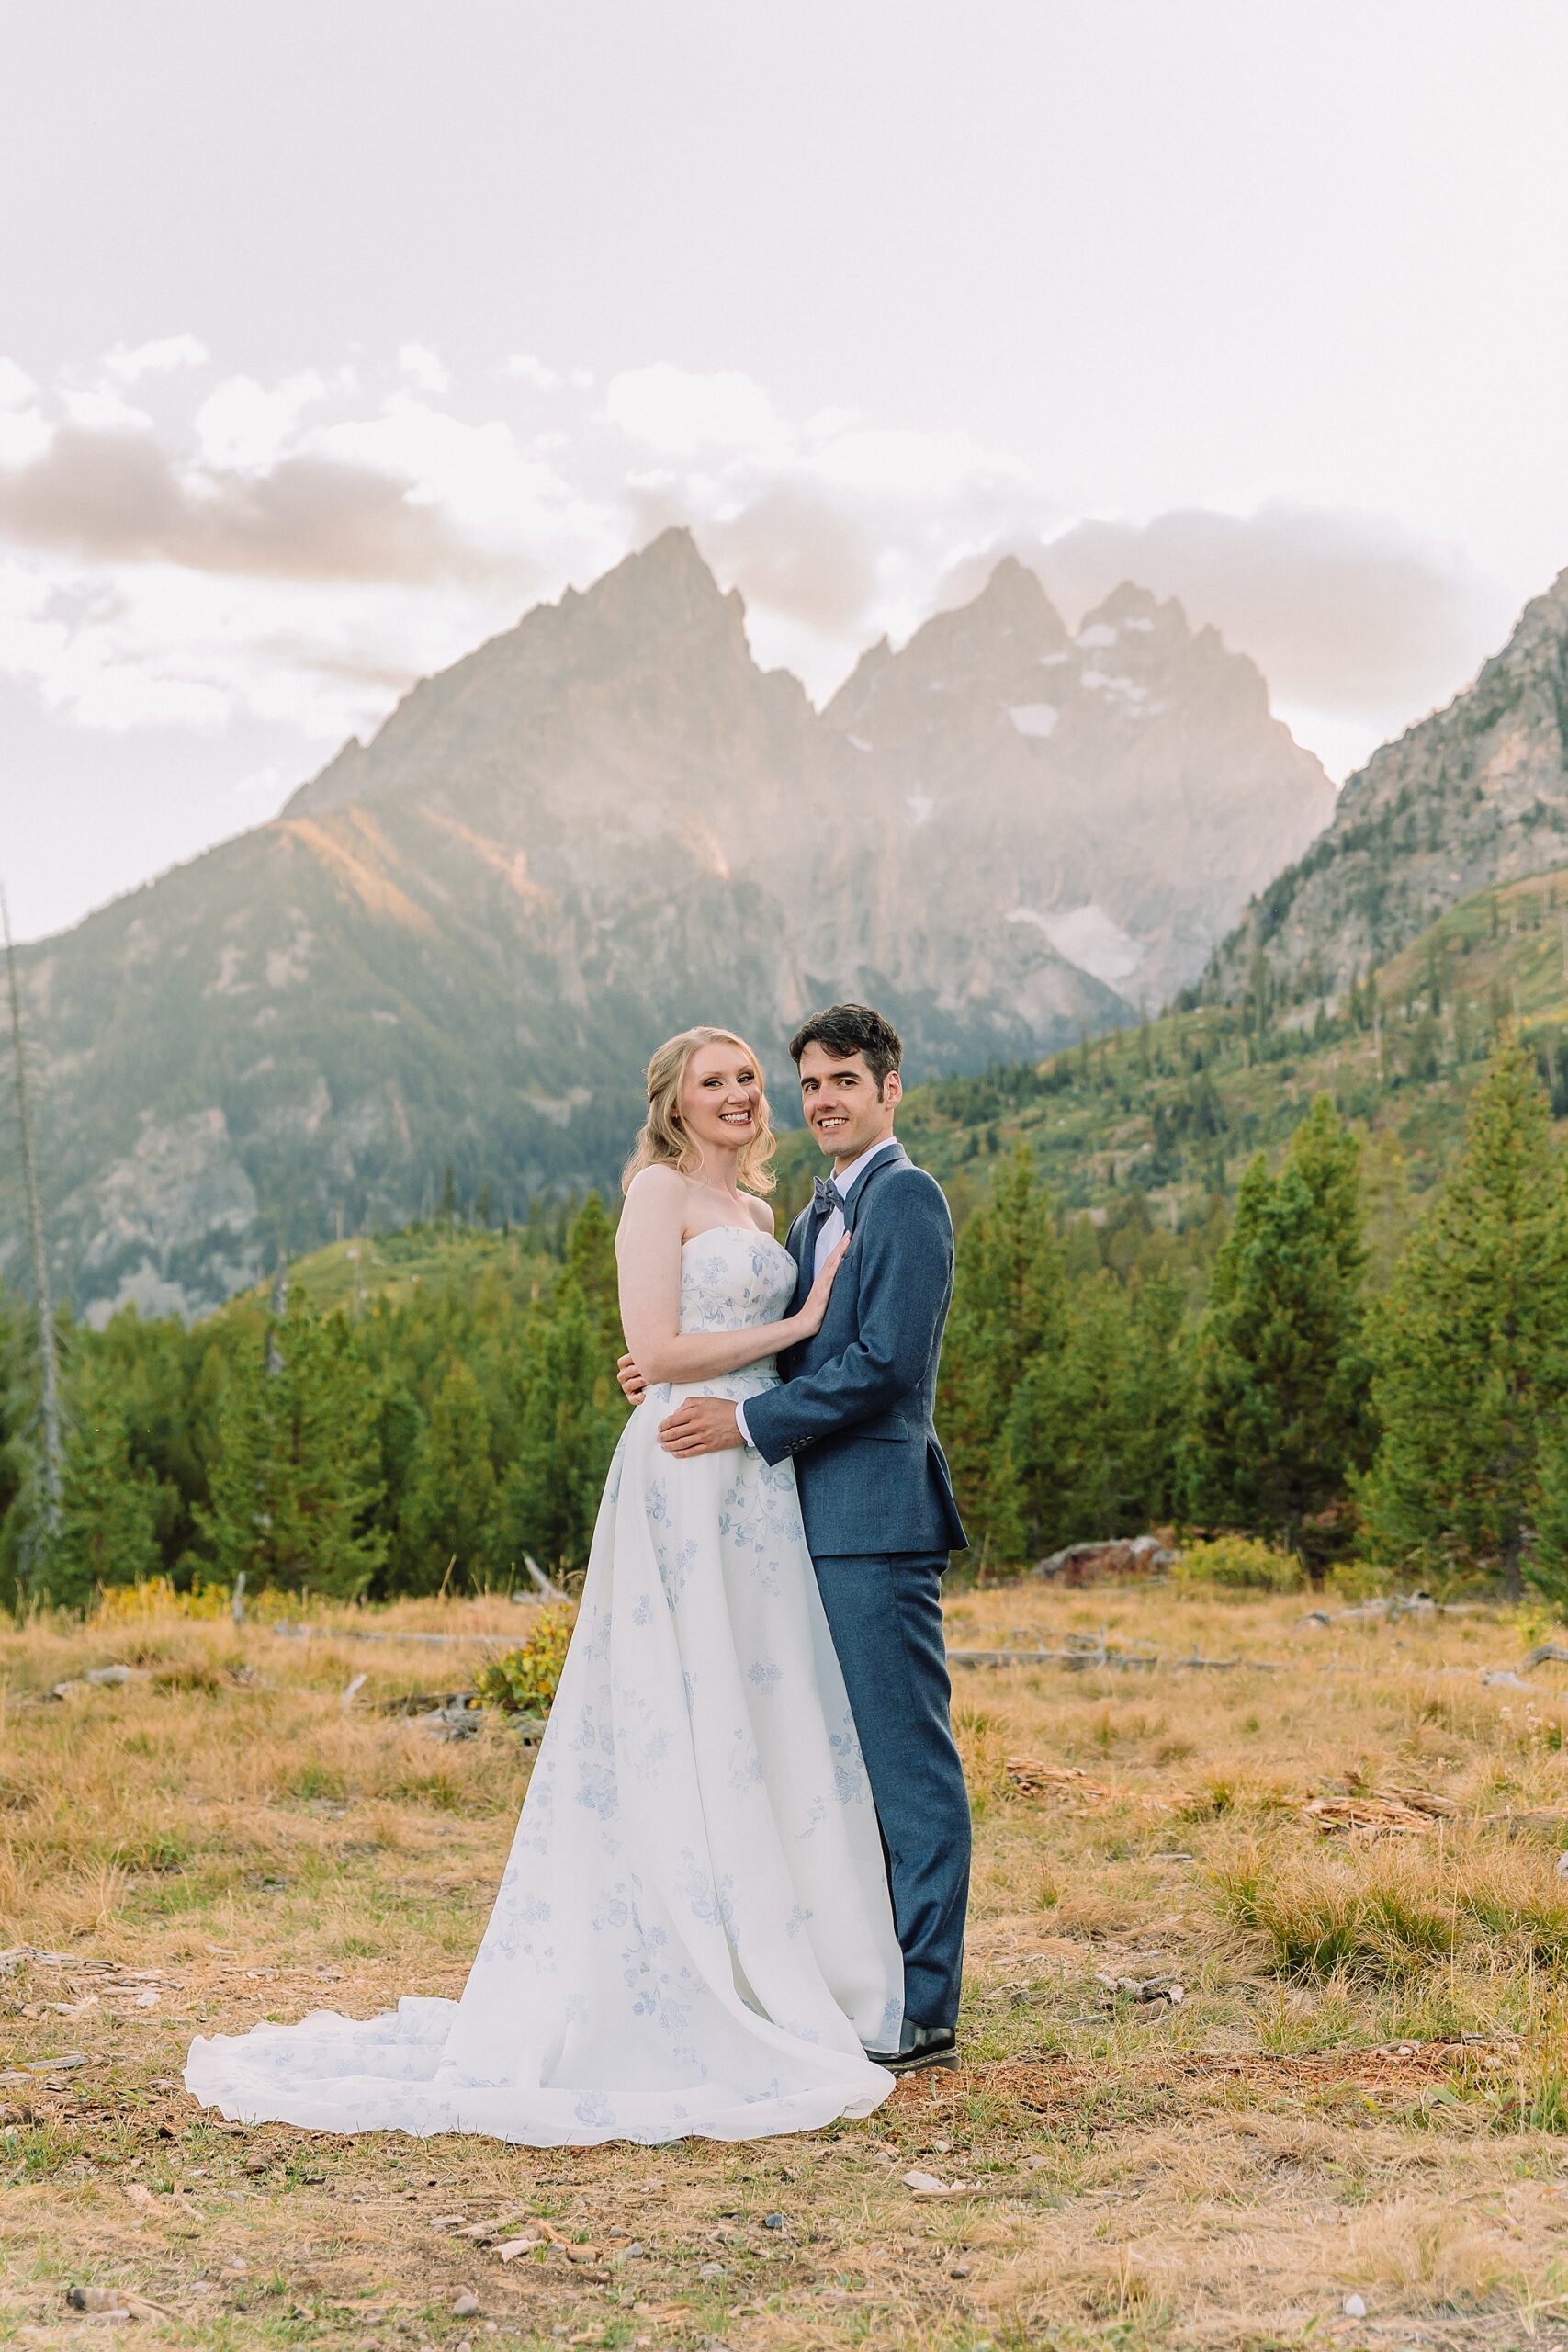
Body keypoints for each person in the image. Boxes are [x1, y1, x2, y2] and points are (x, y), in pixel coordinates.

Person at [185, 1026, 903, 2147]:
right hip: (682, 1464)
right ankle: (671, 1956)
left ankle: (781, 1950)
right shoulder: (654, 1192)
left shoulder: (768, 1216)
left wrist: (775, 1354)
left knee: (761, 1706)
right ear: (671, 1102)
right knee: (679, 1698)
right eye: (712, 1081)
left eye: (748, 1079)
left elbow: (753, 1357)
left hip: (757, 1478)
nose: (739, 1094)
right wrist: (800, 1321)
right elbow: (655, 1350)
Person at [622, 1001, 971, 2074]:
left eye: (843, 1084)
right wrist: (666, 1365)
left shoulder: (905, 1199)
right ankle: (841, 1975)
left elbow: (884, 1367)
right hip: (780, 1521)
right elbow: (785, 1350)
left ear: (888, 1089)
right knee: (826, 1759)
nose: (820, 1101)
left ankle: (922, 2007)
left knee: (905, 1765)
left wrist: (741, 1417)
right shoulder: (809, 1212)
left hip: (870, 1519)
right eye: (808, 1084)